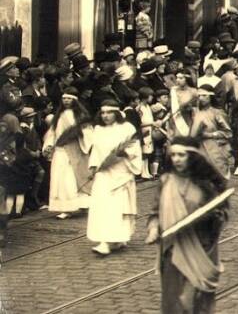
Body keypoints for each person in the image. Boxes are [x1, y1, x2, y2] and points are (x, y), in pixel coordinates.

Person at [145, 137, 228, 314]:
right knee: (173, 302)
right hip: (172, 250)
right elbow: (155, 212)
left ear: (192, 156)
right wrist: (153, 229)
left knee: (192, 302)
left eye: (181, 155)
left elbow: (221, 214)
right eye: (173, 155)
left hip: (201, 249)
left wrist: (211, 217)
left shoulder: (206, 184)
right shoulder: (166, 181)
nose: (176, 159)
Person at [87, 100, 141, 255]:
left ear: (117, 113)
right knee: (102, 206)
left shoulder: (127, 128)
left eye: (109, 112)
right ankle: (104, 241)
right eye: (103, 113)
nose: (105, 116)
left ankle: (118, 238)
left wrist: (123, 153)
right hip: (103, 173)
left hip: (121, 171)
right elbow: (95, 151)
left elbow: (134, 148)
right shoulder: (98, 129)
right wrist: (93, 167)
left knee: (119, 207)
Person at [42, 87, 93, 219]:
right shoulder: (59, 115)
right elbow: (53, 132)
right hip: (60, 149)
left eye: (69, 98)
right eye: (64, 98)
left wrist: (80, 134)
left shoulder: (80, 115)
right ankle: (66, 207)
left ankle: (82, 205)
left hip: (75, 149)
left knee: (75, 177)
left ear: (75, 100)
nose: (66, 101)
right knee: (62, 178)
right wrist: (49, 145)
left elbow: (87, 131)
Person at [191, 85, 234, 179]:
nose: (201, 98)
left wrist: (209, 135)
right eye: (199, 96)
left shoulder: (218, 112)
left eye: (204, 95)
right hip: (200, 147)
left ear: (211, 96)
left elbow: (228, 132)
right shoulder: (195, 112)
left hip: (215, 147)